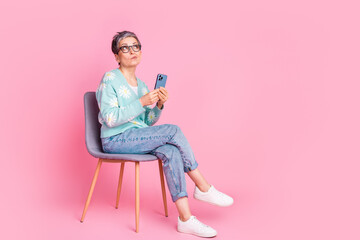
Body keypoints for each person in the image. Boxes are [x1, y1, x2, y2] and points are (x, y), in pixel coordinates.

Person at [96, 30, 234, 238]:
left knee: (170, 150)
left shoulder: (142, 85)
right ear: (116, 56)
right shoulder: (110, 79)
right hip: (116, 139)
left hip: (136, 137)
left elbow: (147, 123)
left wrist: (159, 104)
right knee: (173, 131)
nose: (132, 51)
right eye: (125, 48)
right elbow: (110, 118)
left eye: (136, 46)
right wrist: (142, 102)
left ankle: (185, 219)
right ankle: (203, 186)